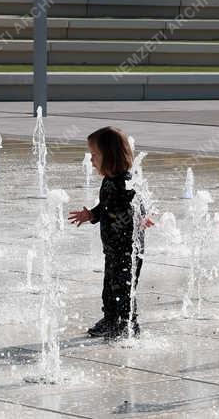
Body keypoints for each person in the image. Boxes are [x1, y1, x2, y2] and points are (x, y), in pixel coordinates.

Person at [68, 126, 152, 338]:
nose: (91, 160)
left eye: (95, 155)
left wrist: (143, 216)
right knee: (110, 288)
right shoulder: (109, 182)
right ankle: (110, 319)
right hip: (113, 249)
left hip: (126, 250)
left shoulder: (125, 183)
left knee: (123, 290)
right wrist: (91, 215)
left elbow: (138, 201)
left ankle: (128, 324)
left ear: (111, 156)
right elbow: (105, 206)